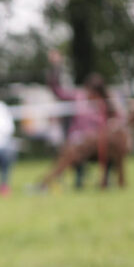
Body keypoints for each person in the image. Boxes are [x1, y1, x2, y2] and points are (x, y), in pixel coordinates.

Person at [39, 50, 118, 189]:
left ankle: (105, 180)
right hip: (79, 141)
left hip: (100, 141)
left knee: (112, 146)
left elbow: (116, 119)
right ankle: (63, 181)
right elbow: (57, 90)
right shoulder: (78, 96)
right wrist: (56, 67)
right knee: (74, 149)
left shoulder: (106, 102)